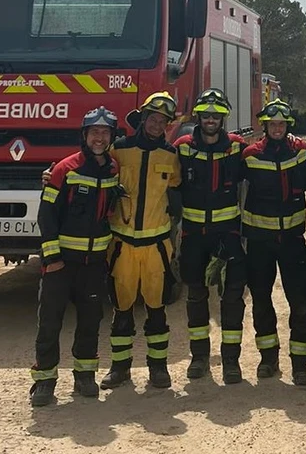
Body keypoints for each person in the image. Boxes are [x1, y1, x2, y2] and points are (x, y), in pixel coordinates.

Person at [30, 106, 120, 407]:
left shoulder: (113, 170)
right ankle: (44, 381)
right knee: (49, 323)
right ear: (85, 135)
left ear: (111, 137)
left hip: (93, 264)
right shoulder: (64, 169)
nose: (99, 137)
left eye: (105, 133)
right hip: (62, 263)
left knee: (90, 322)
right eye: (94, 132)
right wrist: (51, 258)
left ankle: (84, 377)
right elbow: (46, 215)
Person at [99, 92, 183, 390]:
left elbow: (176, 193)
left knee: (156, 308)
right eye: (153, 118)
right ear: (143, 118)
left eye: (163, 121)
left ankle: (158, 369)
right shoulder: (119, 150)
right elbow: (93, 169)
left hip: (156, 247)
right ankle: (119, 368)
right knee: (121, 309)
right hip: (122, 246)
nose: (157, 124)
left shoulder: (171, 155)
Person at [172, 88, 249, 385]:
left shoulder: (238, 148)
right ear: (199, 117)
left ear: (223, 118)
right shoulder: (182, 147)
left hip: (227, 236)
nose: (211, 120)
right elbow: (152, 165)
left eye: (216, 115)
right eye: (206, 115)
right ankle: (199, 357)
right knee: (196, 297)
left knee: (231, 299)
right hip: (193, 237)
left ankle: (231, 361)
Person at [242, 99, 306, 386]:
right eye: (272, 124)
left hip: (292, 241)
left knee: (300, 302)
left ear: (288, 127)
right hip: (259, 242)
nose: (277, 128)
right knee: (261, 301)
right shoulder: (249, 155)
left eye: (282, 124)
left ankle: (300, 365)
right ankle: (268, 359)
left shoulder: (300, 153)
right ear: (265, 126)